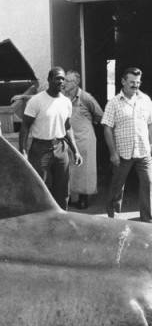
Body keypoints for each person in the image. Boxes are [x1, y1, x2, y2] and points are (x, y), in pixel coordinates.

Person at [19, 67, 82, 210]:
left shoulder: (66, 102)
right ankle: (40, 221)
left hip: (61, 148)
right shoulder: (36, 101)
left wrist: (75, 150)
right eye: (57, 78)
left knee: (62, 189)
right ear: (49, 80)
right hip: (40, 148)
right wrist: (22, 150)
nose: (61, 81)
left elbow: (67, 127)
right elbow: (25, 126)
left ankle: (62, 220)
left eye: (63, 78)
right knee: (40, 188)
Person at [101, 67, 152, 222]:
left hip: (143, 151)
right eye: (132, 82)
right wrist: (113, 153)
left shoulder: (146, 100)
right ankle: (114, 219)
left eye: (137, 82)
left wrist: (150, 144)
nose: (135, 85)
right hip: (122, 153)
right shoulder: (114, 103)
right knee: (117, 186)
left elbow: (150, 123)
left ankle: (147, 219)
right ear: (123, 82)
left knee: (148, 183)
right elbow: (107, 128)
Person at [63, 70, 103, 209]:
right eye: (64, 80)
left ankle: (84, 198)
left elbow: (99, 115)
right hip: (69, 137)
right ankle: (71, 198)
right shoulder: (61, 97)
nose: (64, 83)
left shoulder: (86, 98)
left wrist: (89, 124)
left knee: (85, 169)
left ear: (76, 83)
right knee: (70, 169)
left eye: (67, 81)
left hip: (85, 138)